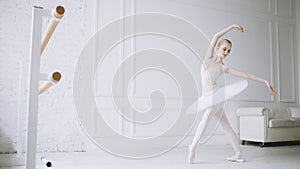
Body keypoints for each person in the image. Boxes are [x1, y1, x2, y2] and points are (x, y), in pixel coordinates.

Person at [188, 24, 276, 164]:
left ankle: (192, 146)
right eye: (224, 49)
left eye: (228, 51)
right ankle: (239, 154)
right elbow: (216, 36)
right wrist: (233, 26)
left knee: (206, 117)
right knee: (226, 126)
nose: (226, 52)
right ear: (217, 48)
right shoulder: (208, 59)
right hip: (207, 97)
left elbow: (246, 74)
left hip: (216, 96)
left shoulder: (224, 67)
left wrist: (265, 81)